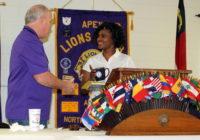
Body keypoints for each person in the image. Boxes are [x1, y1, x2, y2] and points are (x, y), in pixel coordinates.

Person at [5, 4, 75, 127]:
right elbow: (43, 77)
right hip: (27, 114)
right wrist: (64, 85)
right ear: (42, 20)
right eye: (50, 22)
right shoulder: (29, 41)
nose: (50, 27)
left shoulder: (28, 39)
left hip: (28, 113)